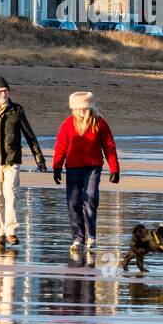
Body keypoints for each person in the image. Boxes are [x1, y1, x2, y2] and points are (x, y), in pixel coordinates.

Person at [0, 76, 47, 247]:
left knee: (12, 195)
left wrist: (39, 158)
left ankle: (11, 231)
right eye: (0, 91)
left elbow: (30, 135)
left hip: (11, 161)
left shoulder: (17, 110)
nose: (3, 94)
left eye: (5, 91)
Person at [52, 91, 120, 253]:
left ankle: (91, 237)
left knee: (90, 199)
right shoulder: (68, 124)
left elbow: (109, 146)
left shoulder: (99, 123)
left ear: (90, 106)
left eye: (85, 107)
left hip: (93, 168)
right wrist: (57, 167)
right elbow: (61, 147)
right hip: (73, 168)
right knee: (73, 203)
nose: (82, 110)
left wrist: (114, 168)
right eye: (78, 108)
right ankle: (77, 238)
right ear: (73, 108)